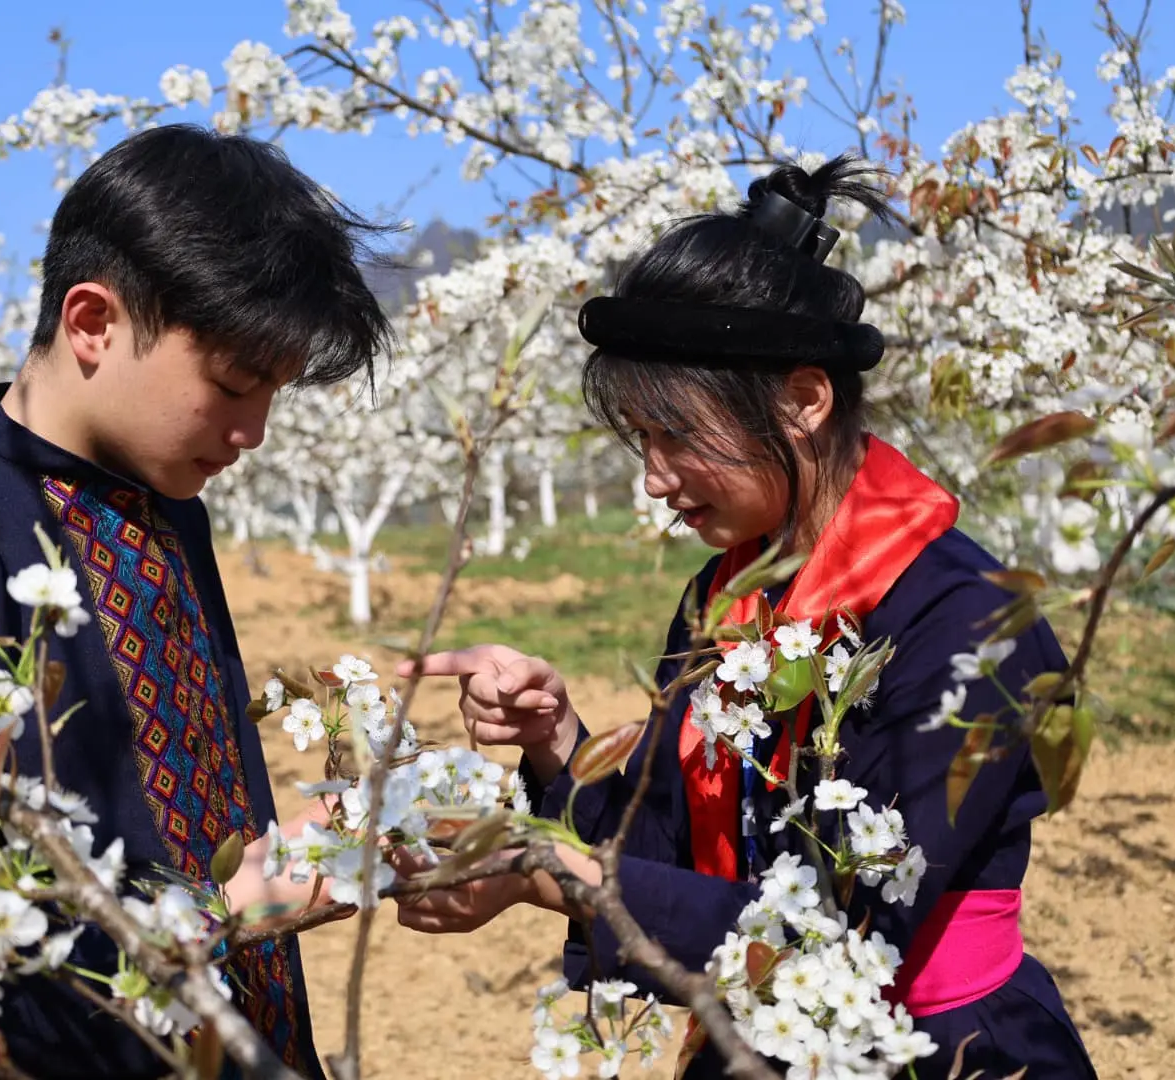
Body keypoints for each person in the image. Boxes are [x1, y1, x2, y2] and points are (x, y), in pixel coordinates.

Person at [393, 158, 1097, 1078]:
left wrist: (545, 872)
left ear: (804, 400)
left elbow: (841, 928)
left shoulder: (968, 623)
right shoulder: (725, 600)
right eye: (642, 441)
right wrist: (555, 741)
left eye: (677, 436)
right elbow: (675, 854)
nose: (654, 479)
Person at [0, 124, 393, 1079]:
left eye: (272, 392)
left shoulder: (162, 503)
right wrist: (217, 921)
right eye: (232, 385)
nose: (253, 432)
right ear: (93, 323)